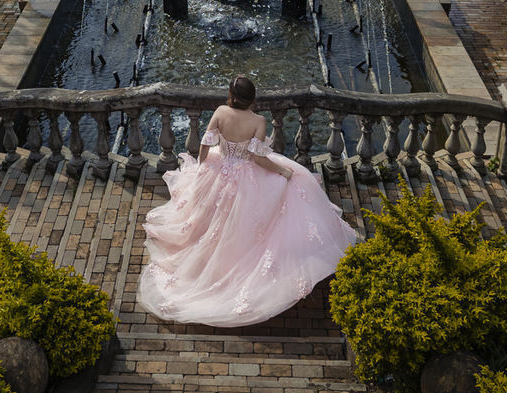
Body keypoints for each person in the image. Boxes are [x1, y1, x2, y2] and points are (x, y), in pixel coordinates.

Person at [137, 75, 360, 327]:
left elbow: (205, 145)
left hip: (221, 168)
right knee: (291, 187)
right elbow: (258, 159)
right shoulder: (258, 121)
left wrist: (203, 167)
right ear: (253, 98)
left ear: (231, 96)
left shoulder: (220, 112)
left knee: (213, 218)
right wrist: (282, 171)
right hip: (247, 172)